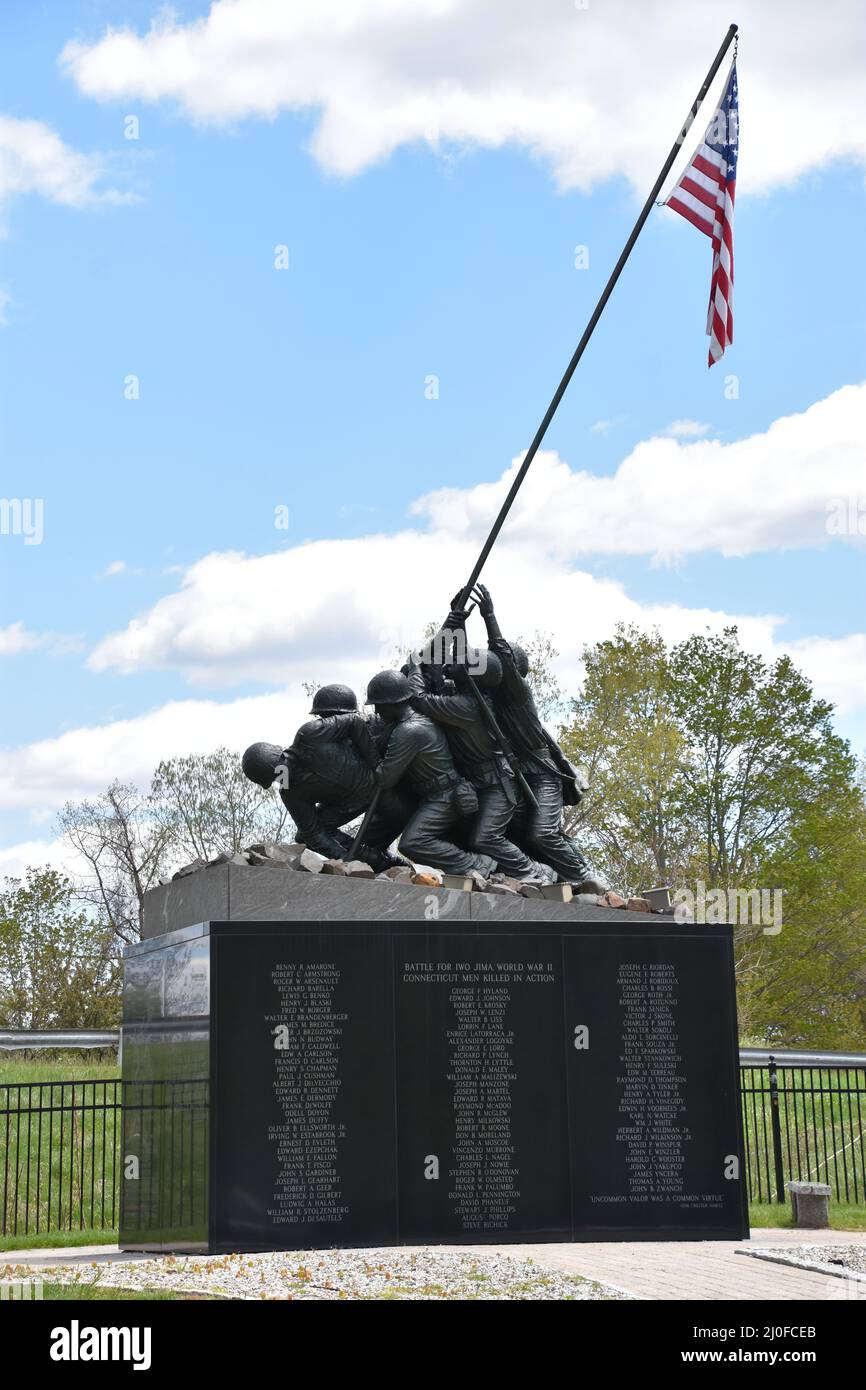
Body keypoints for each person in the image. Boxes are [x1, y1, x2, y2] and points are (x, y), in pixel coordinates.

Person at [471, 584, 601, 888]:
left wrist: (489, 617)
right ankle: (548, 876)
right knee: (508, 834)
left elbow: (500, 657)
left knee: (542, 833)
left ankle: (585, 879)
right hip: (516, 777)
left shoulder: (517, 695)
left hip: (542, 775)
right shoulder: (485, 701)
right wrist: (456, 623)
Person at [404, 629, 554, 882]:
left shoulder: (467, 706)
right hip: (482, 783)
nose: (454, 663)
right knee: (470, 835)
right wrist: (453, 625)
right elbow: (440, 679)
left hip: (498, 784)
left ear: (471, 677)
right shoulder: (466, 697)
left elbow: (419, 699)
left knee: (485, 837)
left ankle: (537, 873)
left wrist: (416, 669)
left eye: (461, 664)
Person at [242, 683, 408, 867]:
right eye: (275, 778)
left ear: (280, 753)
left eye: (279, 768)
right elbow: (313, 834)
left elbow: (354, 722)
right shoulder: (289, 792)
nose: (281, 776)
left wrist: (376, 765)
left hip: (379, 784)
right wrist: (344, 859)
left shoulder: (309, 735)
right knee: (306, 833)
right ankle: (378, 860)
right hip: (351, 804)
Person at [367, 668, 496, 877]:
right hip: (433, 794)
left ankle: (476, 863)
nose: (376, 711)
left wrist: (367, 751)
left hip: (444, 795)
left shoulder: (408, 731)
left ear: (392, 703)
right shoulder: (409, 723)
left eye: (378, 705)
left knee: (412, 842)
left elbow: (384, 778)